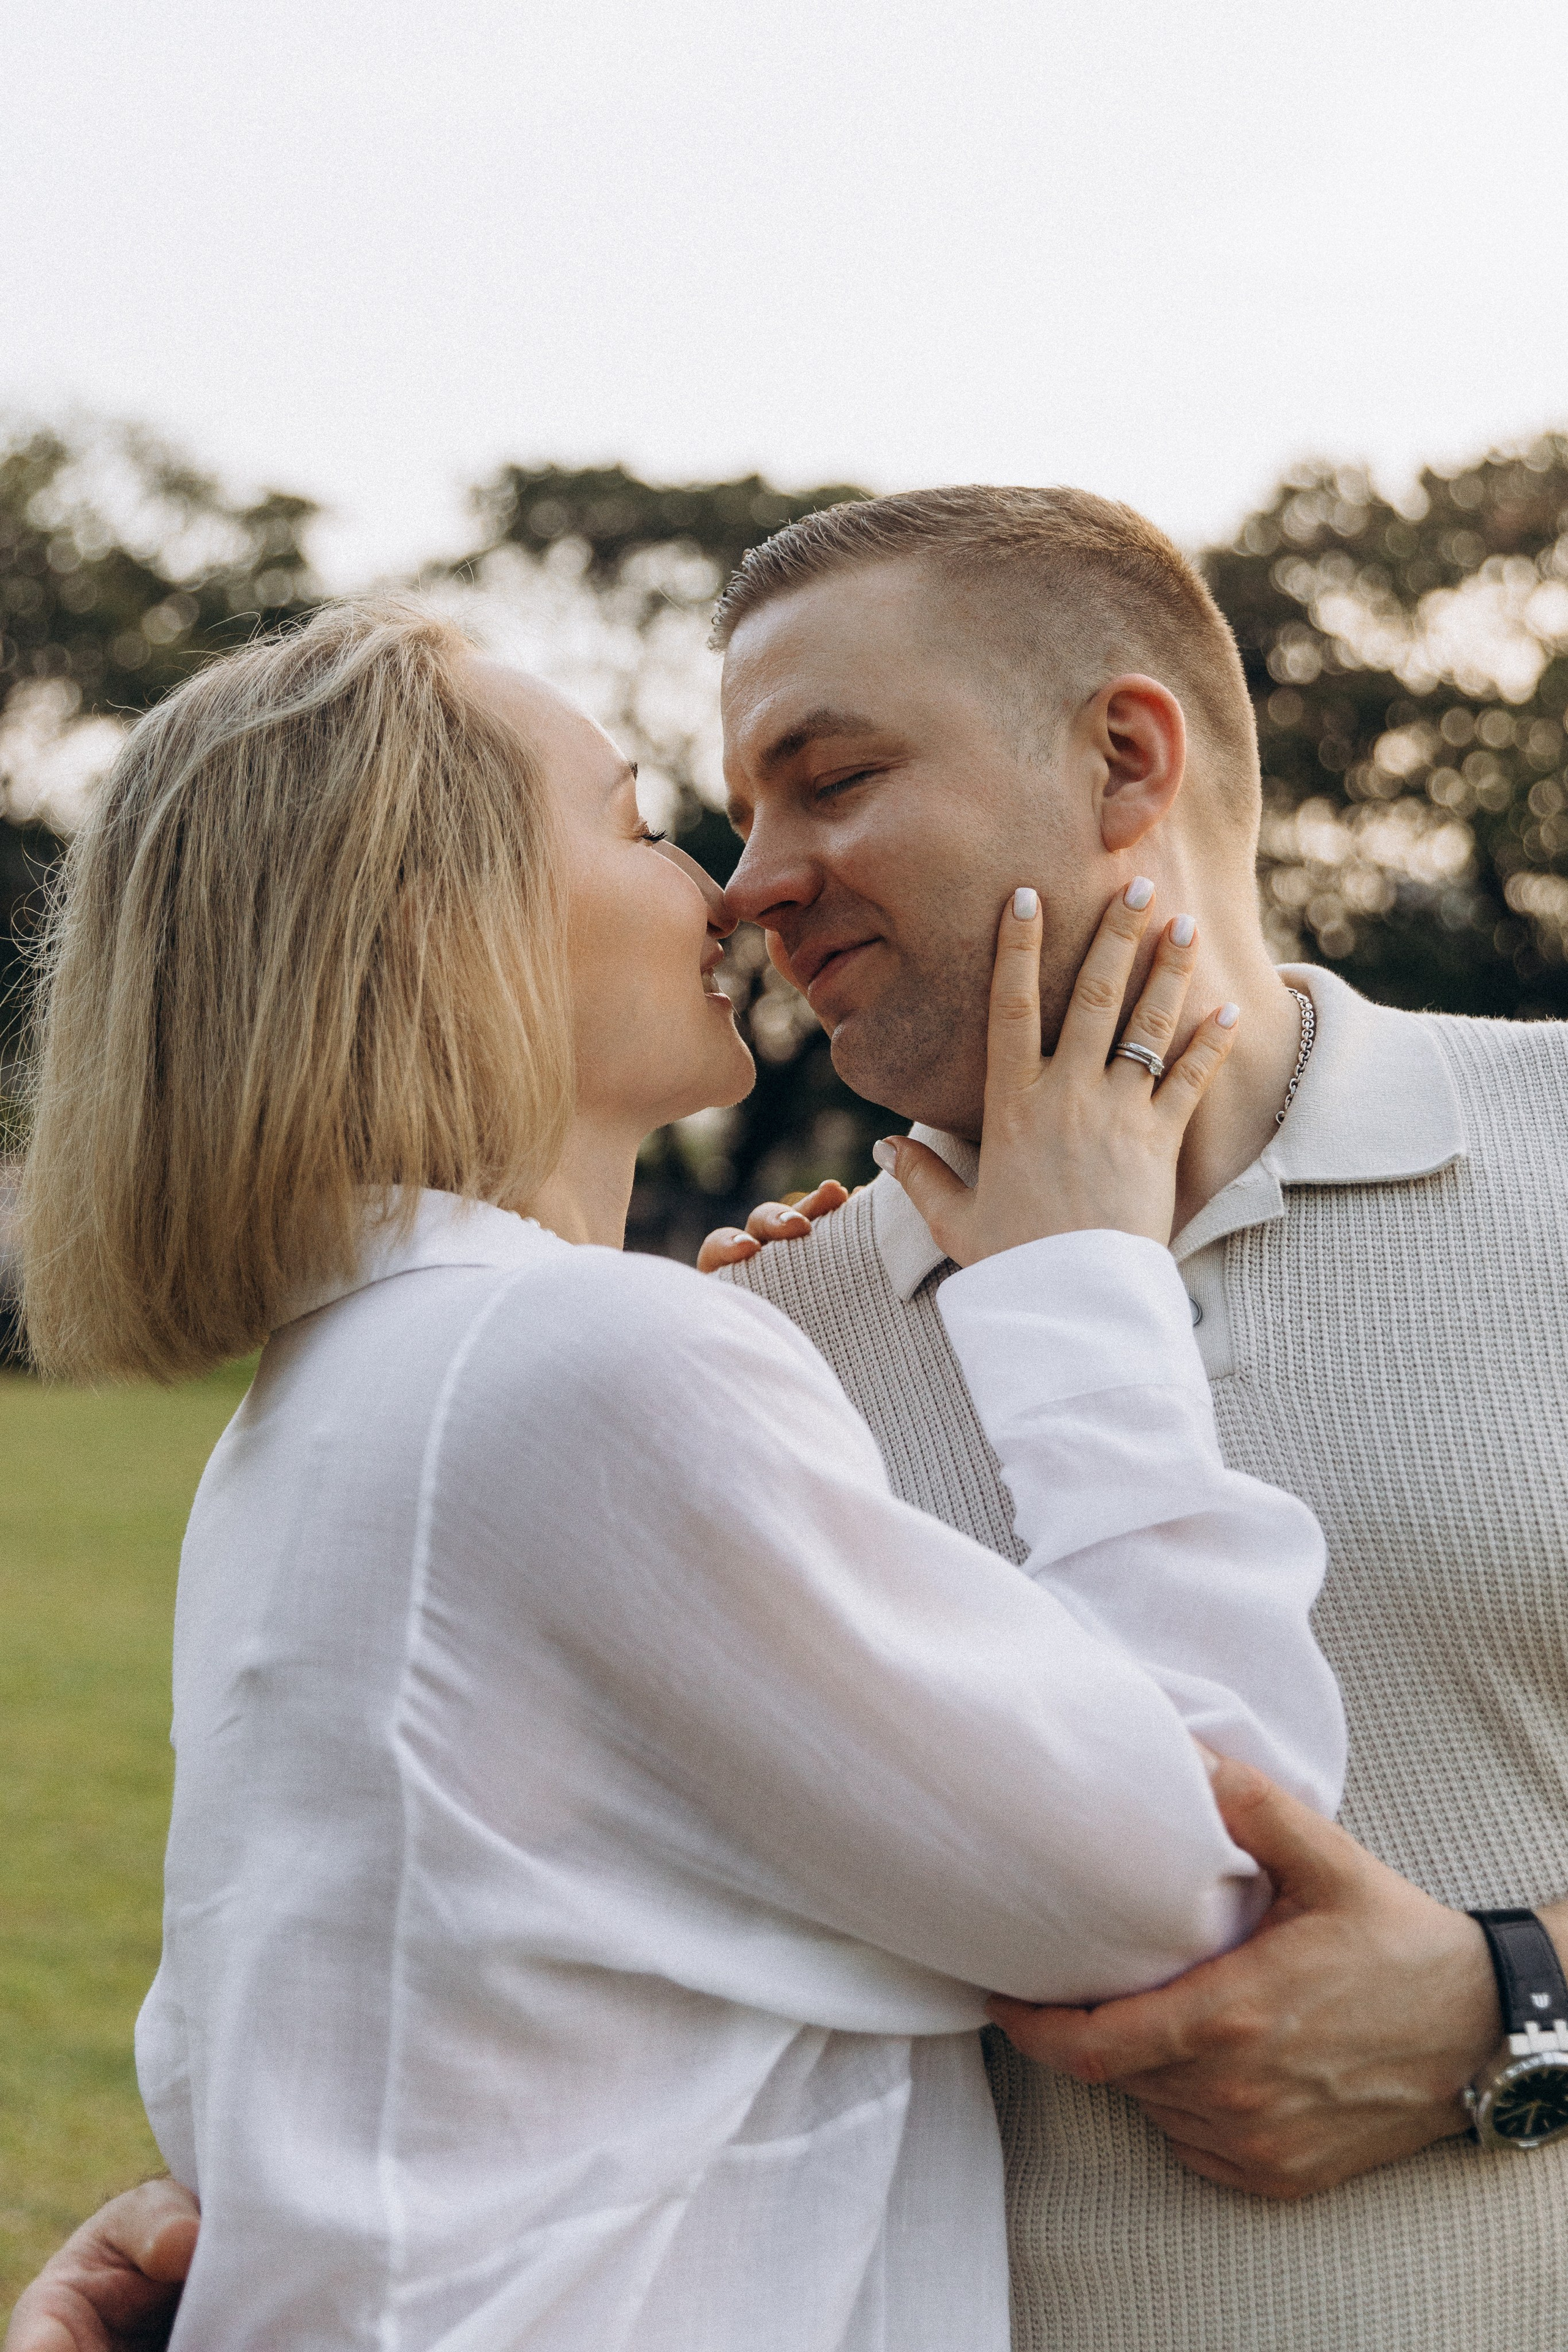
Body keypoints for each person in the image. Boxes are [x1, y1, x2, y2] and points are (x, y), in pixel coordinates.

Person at [8, 597, 1341, 2351]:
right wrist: (1080, 1280)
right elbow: (1211, 1867)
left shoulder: (329, 1415)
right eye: (637, 826)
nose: (726, 891)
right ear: (443, 921)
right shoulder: (575, 1367)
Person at [690, 484, 1568, 2352]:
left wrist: (1520, 2005)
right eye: (741, 810)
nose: (749, 880)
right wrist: (232, 2216)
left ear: (1121, 754)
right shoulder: (740, 1352)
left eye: (828, 780)